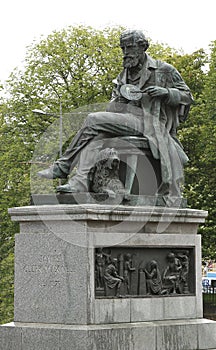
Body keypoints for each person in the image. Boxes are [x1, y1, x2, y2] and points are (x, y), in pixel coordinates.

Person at [38, 29, 193, 196]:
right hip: (126, 119)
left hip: (150, 123)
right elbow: (112, 107)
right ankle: (80, 181)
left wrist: (166, 93)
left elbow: (187, 96)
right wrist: (119, 100)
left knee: (92, 119)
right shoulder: (123, 76)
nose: (126, 53)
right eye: (123, 48)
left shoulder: (163, 70)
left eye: (130, 47)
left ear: (143, 47)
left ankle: (63, 166)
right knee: (96, 136)